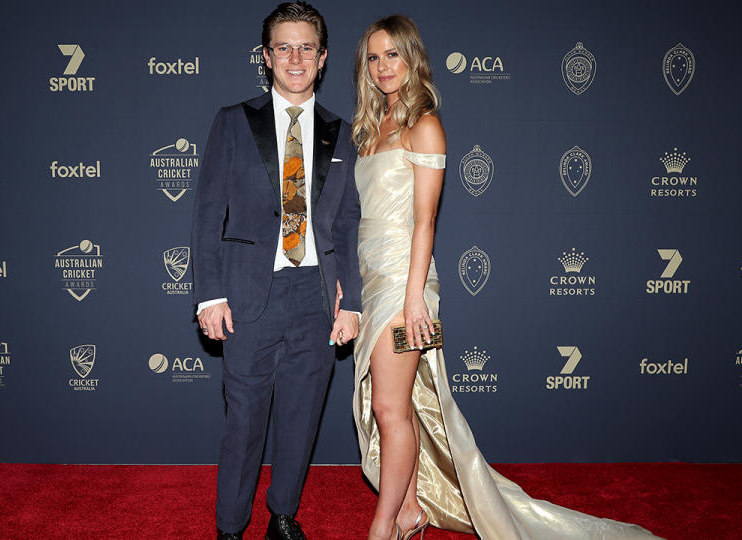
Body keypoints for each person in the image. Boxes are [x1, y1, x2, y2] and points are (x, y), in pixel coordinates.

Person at [350, 15, 663, 540]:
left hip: (406, 284)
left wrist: (414, 298)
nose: (384, 67)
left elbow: (425, 220)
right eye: (375, 57)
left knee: (388, 406)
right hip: (371, 276)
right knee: (394, 407)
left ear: (412, 58)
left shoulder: (425, 123)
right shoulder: (370, 127)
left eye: (393, 55)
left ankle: (385, 526)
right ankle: (407, 512)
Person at [191, 2, 362, 539]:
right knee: (243, 422)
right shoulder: (233, 122)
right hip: (246, 296)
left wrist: (352, 300)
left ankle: (283, 515)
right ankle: (230, 528)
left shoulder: (343, 131)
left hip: (316, 297)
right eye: (283, 47)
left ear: (323, 57)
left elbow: (350, 223)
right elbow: (205, 212)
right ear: (266, 58)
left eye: (306, 46)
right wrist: (209, 295)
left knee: (301, 417)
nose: (295, 57)